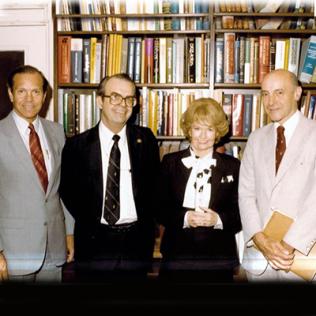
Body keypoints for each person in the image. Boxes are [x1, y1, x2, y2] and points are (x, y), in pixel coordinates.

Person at [59, 73, 160, 282]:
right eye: (115, 96)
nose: (122, 104)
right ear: (99, 101)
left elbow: (154, 188)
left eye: (129, 98)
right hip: (94, 244)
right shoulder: (76, 145)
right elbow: (68, 192)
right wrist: (93, 222)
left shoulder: (146, 139)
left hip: (136, 244)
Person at [239, 69, 316, 281]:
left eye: (279, 92)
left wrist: (287, 245)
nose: (270, 101)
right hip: (259, 258)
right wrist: (261, 240)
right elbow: (245, 194)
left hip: (303, 256)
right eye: (265, 94)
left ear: (297, 93)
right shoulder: (255, 138)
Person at [0, 65, 74, 282]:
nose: (29, 98)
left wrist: (69, 233)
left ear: (44, 95)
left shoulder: (57, 132)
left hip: (54, 245)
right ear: (10, 93)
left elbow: (62, 189)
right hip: (13, 251)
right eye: (22, 91)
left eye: (36, 91)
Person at [158, 98, 241, 283]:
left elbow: (242, 212)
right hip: (176, 257)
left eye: (210, 129)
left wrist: (218, 219)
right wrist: (185, 218)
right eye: (197, 128)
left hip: (218, 260)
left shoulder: (233, 166)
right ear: (189, 130)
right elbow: (158, 209)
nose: (203, 136)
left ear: (217, 132)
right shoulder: (170, 163)